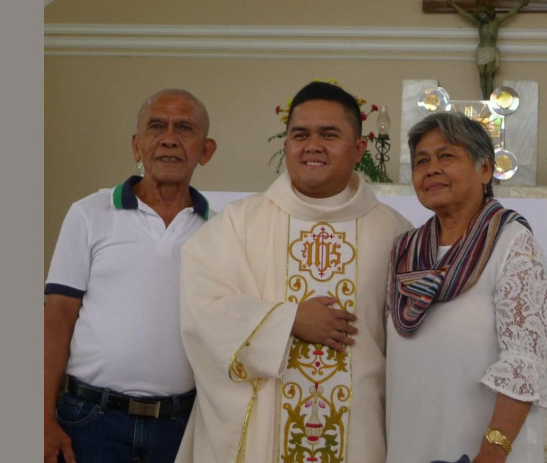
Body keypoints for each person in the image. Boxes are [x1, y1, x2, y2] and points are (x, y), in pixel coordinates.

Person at [175, 81, 412, 463]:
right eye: (300, 134)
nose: (312, 145)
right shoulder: (238, 224)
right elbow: (201, 312)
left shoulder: (395, 233)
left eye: (329, 135)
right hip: (262, 438)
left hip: (360, 433)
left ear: (359, 149)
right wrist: (288, 320)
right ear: (286, 145)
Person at [44, 89, 218, 463]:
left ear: (206, 150)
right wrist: (41, 418)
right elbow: (57, 318)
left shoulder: (220, 231)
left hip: (181, 426)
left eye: (184, 128)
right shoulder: (89, 213)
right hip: (90, 422)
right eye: (157, 126)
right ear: (137, 146)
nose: (169, 138)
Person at [386, 112, 547, 463]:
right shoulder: (404, 251)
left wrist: (491, 454)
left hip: (484, 451)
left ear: (485, 170)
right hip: (409, 440)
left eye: (446, 156)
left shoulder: (512, 245)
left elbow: (524, 365)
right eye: (421, 160)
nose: (431, 168)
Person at [449, 0, 530, 100]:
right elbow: (466, 15)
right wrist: (454, 6)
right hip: (481, 50)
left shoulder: (495, 23)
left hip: (491, 49)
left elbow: (509, 14)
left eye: (482, 15)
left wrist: (520, 5)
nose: (481, 18)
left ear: (487, 14)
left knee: (488, 74)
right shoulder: (480, 25)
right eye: (479, 16)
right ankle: (484, 98)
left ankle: (488, 98)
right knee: (482, 74)